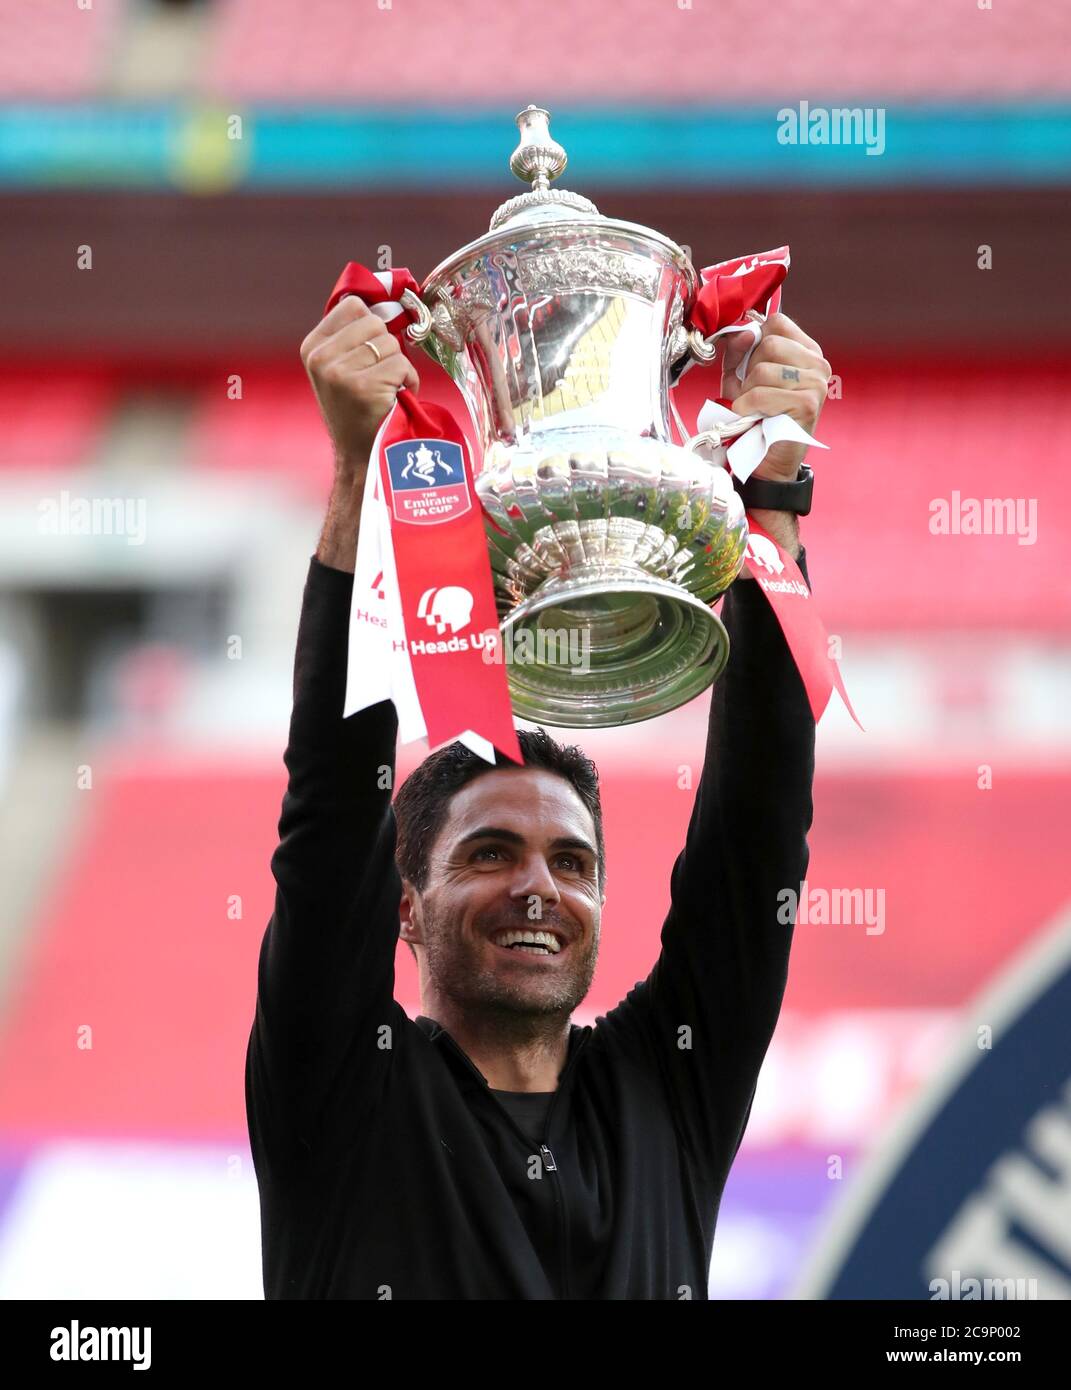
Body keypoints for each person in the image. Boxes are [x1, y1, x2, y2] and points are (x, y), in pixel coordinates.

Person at [245, 294, 830, 1299]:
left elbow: (757, 839)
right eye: (488, 852)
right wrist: (356, 479)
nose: (538, 886)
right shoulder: (343, 1088)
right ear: (403, 905)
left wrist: (773, 499)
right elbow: (331, 809)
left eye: (572, 861)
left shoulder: (669, 1088)